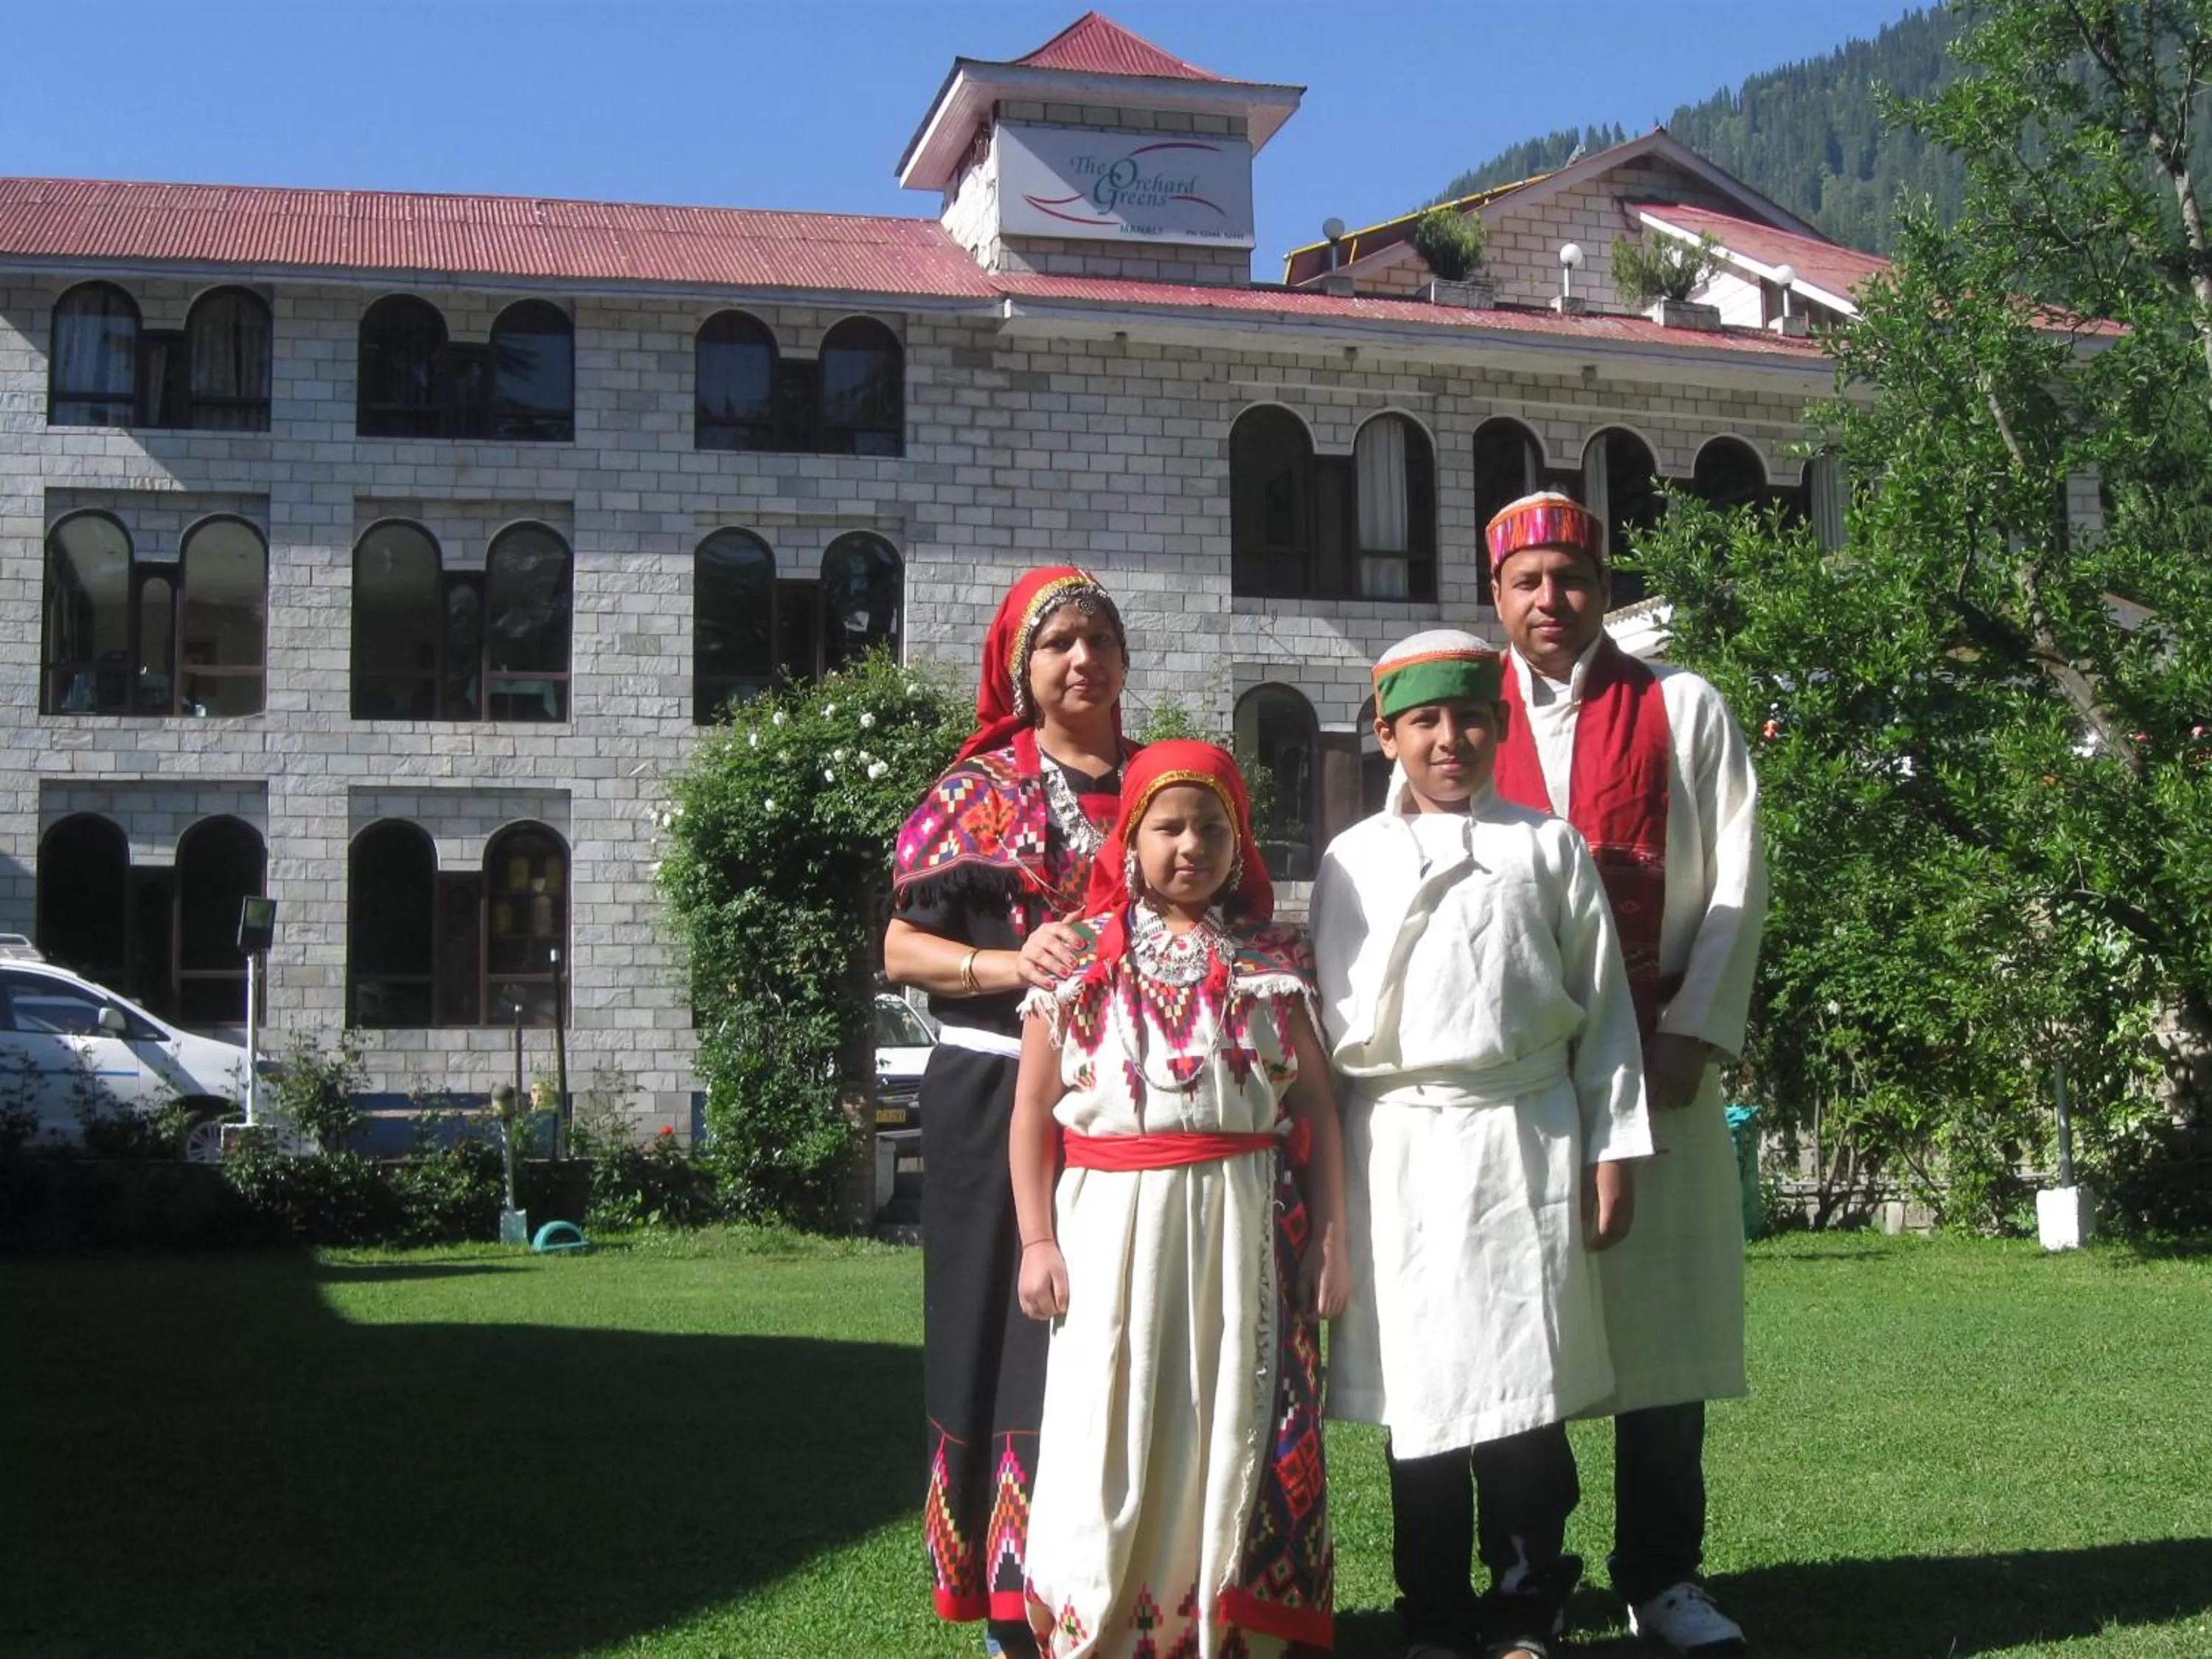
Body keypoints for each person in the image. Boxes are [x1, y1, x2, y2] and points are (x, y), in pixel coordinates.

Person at [1311, 631, 1652, 1659]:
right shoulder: (1351, 861)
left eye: (1468, 718)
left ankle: (1523, 1598)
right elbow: (1327, 1033)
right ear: (1388, 735)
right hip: (1401, 1152)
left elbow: (1606, 1015)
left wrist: (1613, 1148)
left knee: (1520, 1384)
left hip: (1523, 1138)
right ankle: (1434, 1612)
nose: (1449, 739)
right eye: (1425, 722)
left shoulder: (1548, 847)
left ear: (1499, 726)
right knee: (1422, 1395)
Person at [1485, 492, 1767, 1657]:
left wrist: (1694, 1030)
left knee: (1664, 1330)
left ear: (1603, 587)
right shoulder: (1457, 714)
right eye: (1527, 581)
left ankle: (1663, 1574)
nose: (1552, 600)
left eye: (1572, 577)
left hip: (1658, 1066)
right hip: (1519, 1085)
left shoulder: (1680, 704)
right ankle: (1530, 1575)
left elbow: (1738, 870)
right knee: (1524, 1332)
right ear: (1494, 595)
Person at [1011, 740, 1348, 1659]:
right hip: (1111, 1230)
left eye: (1213, 827)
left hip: (1246, 1232)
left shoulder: (1272, 965)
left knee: (1226, 1417)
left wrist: (1333, 1239)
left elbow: (1316, 1109)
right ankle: (1104, 1623)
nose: (1190, 845)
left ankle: (1224, 1626)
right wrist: (1037, 1241)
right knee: (1112, 1421)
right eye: (1168, 826)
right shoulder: (1080, 965)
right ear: (1129, 840)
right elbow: (1032, 1114)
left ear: (1240, 847)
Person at [886, 566, 1138, 1659]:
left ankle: (1131, 1575)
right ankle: (1007, 1599)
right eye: (1060, 643)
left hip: (1134, 1100)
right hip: (994, 1088)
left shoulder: (1164, 785)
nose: (1082, 659)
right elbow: (899, 948)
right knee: (1003, 1326)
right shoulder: (974, 788)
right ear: (1021, 669)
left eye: (1100, 639)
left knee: (1129, 1326)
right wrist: (1001, 959)